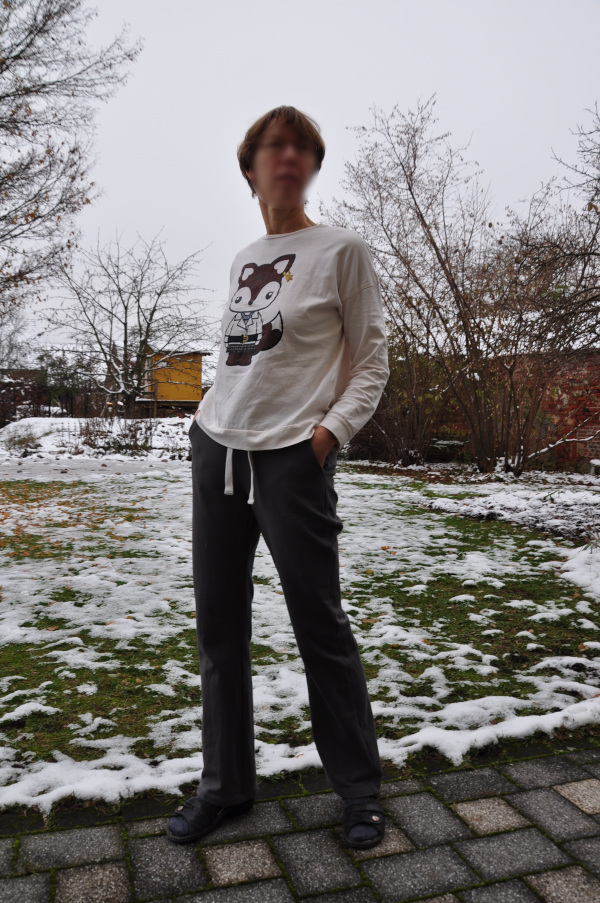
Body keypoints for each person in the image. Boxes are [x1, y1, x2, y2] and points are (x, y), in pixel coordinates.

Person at [166, 105, 390, 850]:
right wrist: (204, 424)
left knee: (319, 624)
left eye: (301, 148)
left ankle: (359, 792)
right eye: (273, 146)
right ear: (251, 168)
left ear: (312, 166)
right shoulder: (245, 258)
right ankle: (225, 787)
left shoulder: (341, 249)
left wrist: (326, 437)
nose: (288, 156)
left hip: (293, 457)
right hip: (218, 451)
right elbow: (244, 359)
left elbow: (372, 359)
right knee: (219, 628)